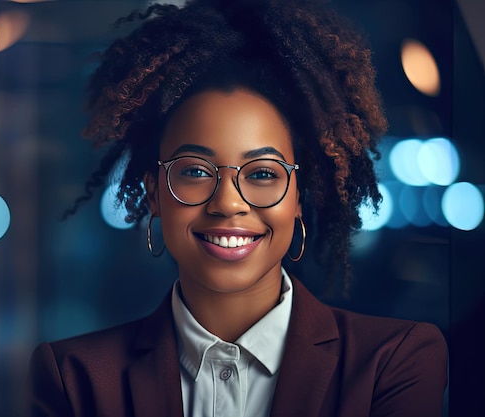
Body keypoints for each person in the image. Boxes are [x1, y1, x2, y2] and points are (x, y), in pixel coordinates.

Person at [27, 0, 448, 416]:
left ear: (300, 195)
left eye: (262, 174)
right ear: (153, 192)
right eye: (194, 171)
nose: (228, 203)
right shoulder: (74, 379)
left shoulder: (393, 364)